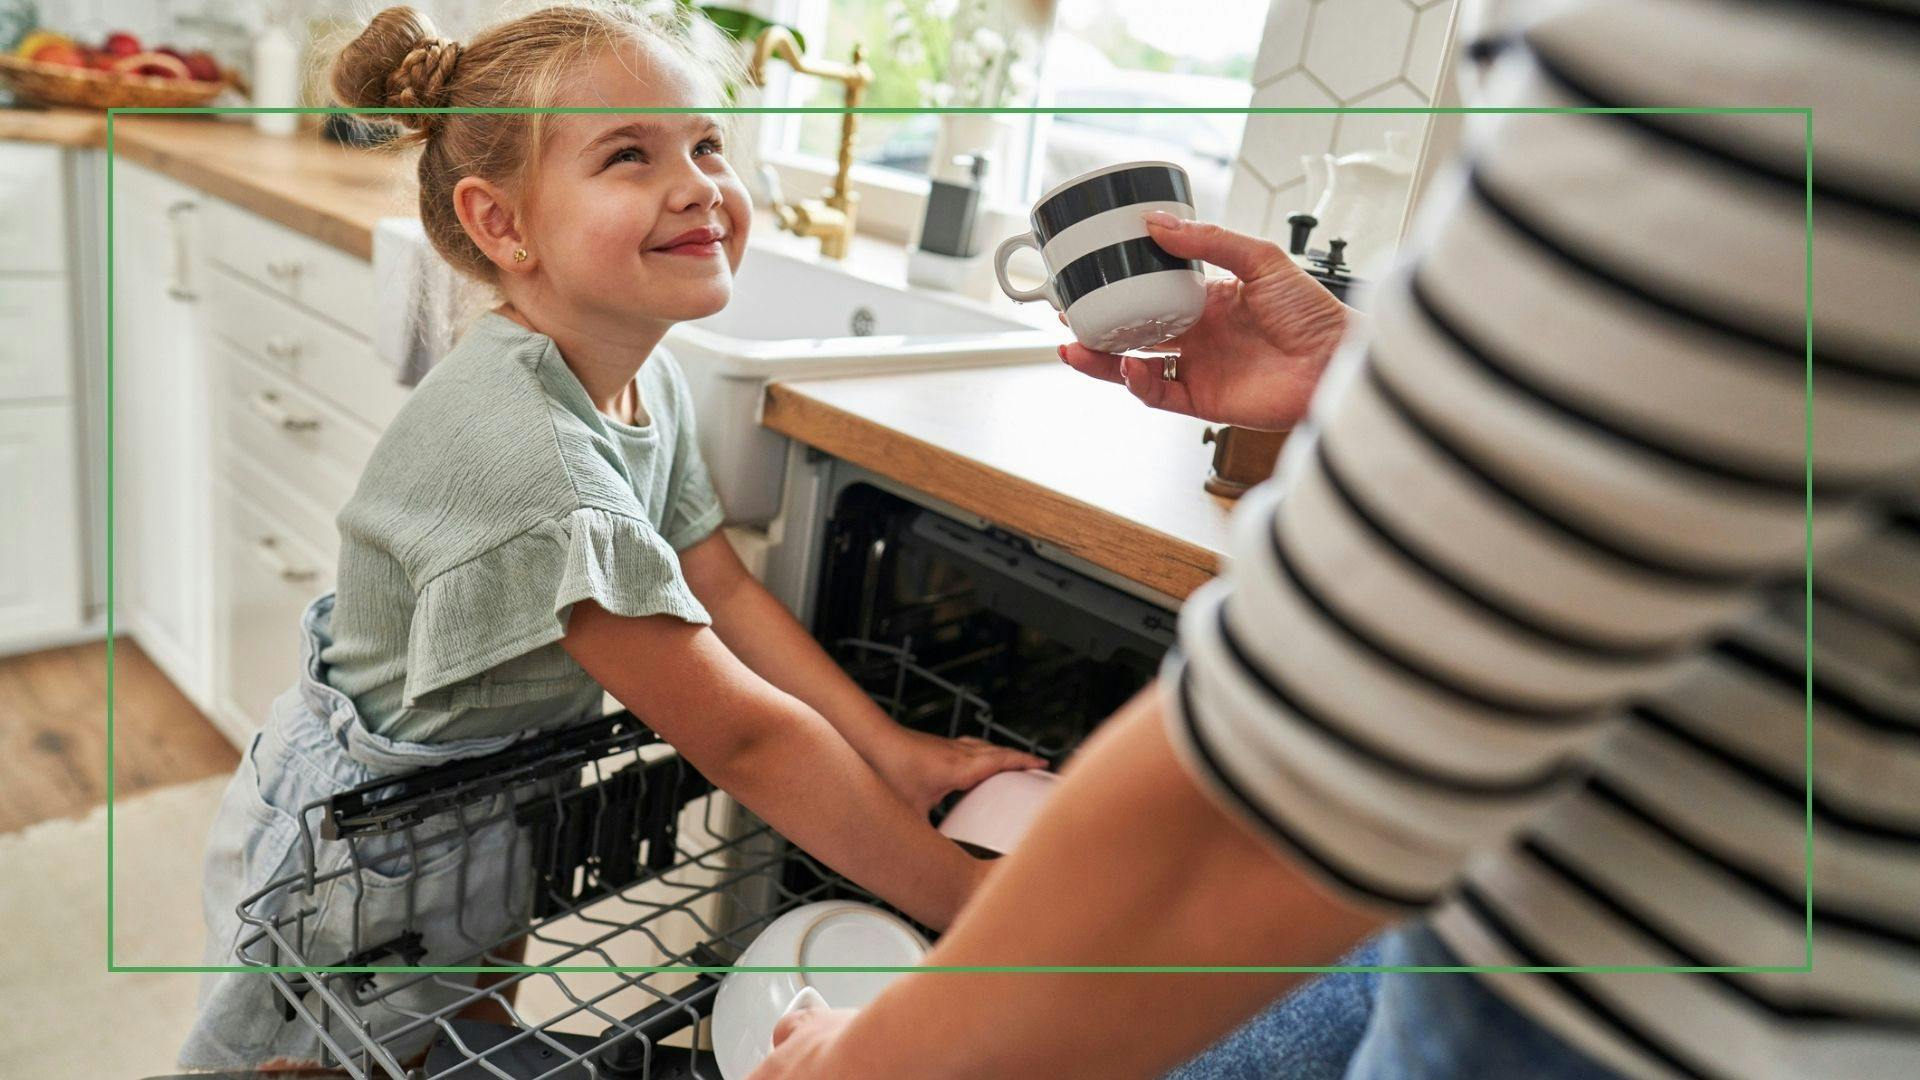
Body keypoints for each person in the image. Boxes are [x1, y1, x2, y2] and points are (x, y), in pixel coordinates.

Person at [750, 0, 1920, 1076]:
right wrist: (1366, 374)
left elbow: (1284, 788)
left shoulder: (1741, 33)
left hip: (1653, 1005)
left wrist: (870, 1059)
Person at [178, 3, 1041, 1070]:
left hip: (489, 797)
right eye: (630, 154)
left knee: (451, 1046)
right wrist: (973, 905)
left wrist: (896, 753)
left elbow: (717, 583)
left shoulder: (647, 383)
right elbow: (745, 739)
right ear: (502, 226)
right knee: (313, 1062)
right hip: (359, 847)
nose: (697, 185)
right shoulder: (527, 453)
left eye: (707, 144)